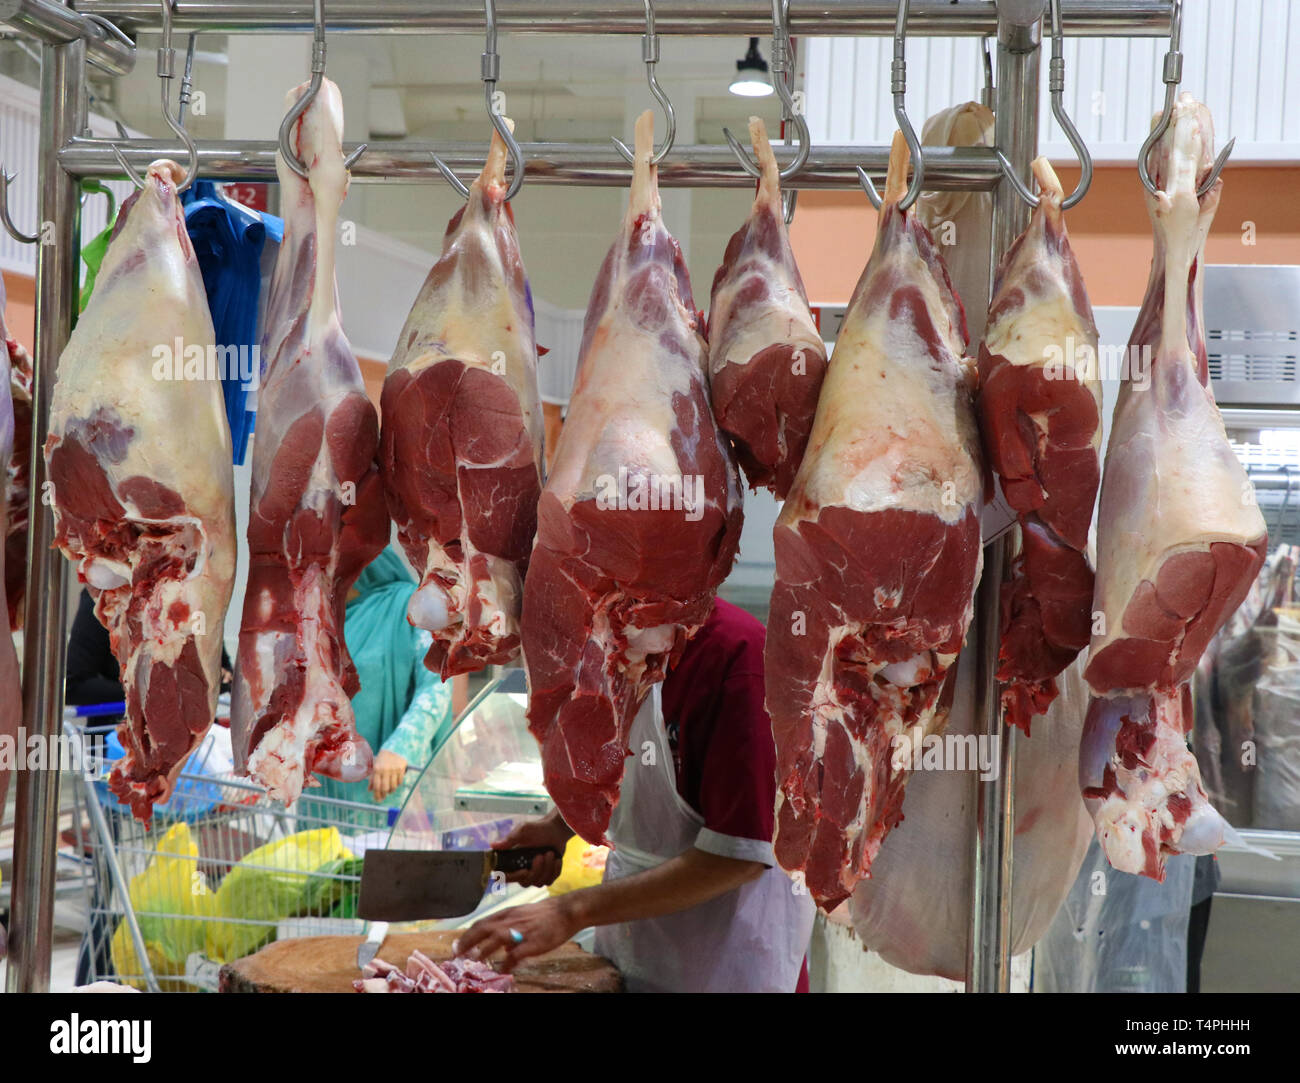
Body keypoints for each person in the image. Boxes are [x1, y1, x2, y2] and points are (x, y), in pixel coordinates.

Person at [455, 596, 816, 993]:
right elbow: (625, 768)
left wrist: (571, 910)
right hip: (632, 951)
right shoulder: (613, 639)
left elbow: (738, 856)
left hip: (728, 959)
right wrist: (561, 827)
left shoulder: (738, 658)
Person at [317, 546, 455, 808]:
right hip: (325, 794)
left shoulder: (410, 607)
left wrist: (401, 747)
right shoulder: (316, 620)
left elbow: (435, 686)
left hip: (390, 786)